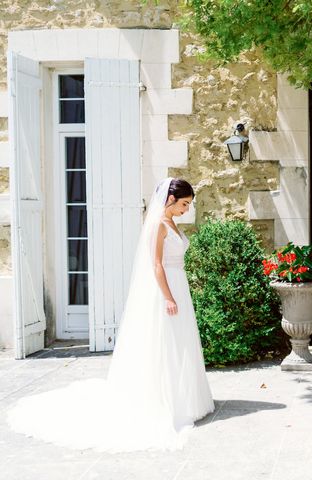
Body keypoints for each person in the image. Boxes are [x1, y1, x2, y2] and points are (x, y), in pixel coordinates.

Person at [7, 178, 214, 451]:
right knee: (164, 342)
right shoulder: (157, 224)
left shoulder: (172, 222)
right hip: (166, 289)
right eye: (184, 204)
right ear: (170, 200)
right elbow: (156, 265)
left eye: (189, 204)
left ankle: (185, 397)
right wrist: (168, 297)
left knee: (180, 341)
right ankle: (163, 400)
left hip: (179, 283)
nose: (187, 209)